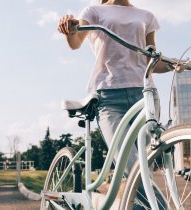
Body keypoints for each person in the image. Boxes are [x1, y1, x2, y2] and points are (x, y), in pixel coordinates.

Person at [58, 0, 173, 176]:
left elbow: (151, 62)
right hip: (109, 97)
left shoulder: (146, 16)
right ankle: (161, 205)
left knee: (146, 165)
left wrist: (176, 64)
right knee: (132, 167)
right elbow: (75, 42)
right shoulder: (93, 11)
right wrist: (69, 31)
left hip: (143, 96)